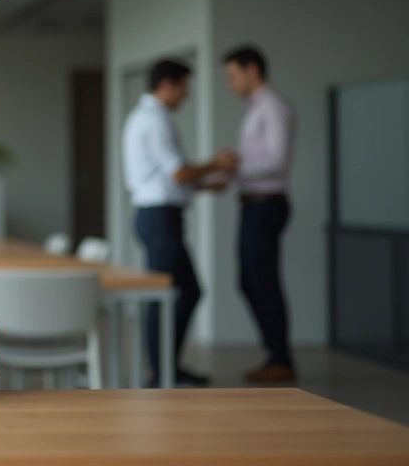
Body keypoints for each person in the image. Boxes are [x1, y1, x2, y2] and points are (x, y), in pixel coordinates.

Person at [122, 59, 236, 388]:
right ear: (168, 84)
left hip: (157, 215)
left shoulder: (146, 117)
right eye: (184, 87)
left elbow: (169, 179)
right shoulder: (154, 119)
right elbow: (178, 172)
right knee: (172, 294)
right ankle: (160, 372)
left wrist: (204, 185)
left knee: (182, 292)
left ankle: (165, 367)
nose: (186, 95)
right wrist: (216, 163)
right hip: (159, 218)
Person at [223, 46, 297, 383]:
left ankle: (280, 357)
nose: (231, 83)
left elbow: (277, 160)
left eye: (233, 76)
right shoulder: (257, 109)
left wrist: (236, 169)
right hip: (252, 203)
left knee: (263, 281)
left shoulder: (273, 108)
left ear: (252, 70)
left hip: (266, 204)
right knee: (249, 280)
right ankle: (274, 353)